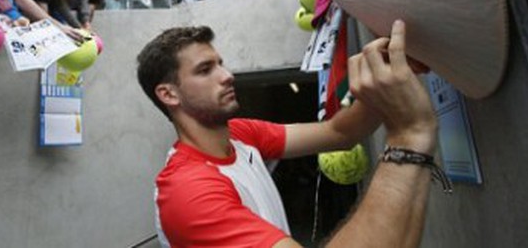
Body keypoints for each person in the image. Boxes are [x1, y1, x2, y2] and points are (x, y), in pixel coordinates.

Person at [137, 22, 441, 247]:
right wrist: (408, 136)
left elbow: (340, 132)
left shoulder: (240, 135)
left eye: (221, 63)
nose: (227, 75)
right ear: (169, 94)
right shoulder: (187, 192)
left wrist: (382, 79)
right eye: (205, 70)